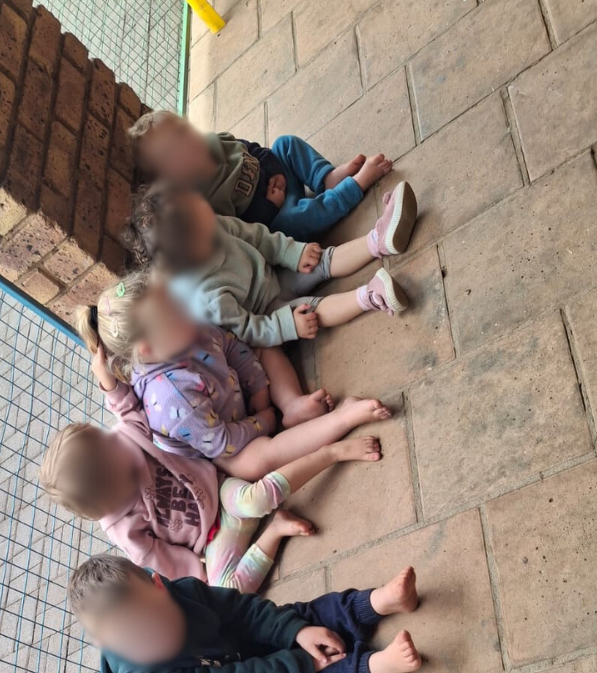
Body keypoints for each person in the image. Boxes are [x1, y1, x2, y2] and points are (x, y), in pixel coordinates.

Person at [40, 329, 383, 591]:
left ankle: (331, 453)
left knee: (256, 498)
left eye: (105, 438)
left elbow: (126, 410)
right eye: (109, 448)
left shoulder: (125, 439)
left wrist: (107, 382)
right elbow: (157, 558)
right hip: (214, 540)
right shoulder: (122, 526)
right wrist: (200, 577)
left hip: (221, 487)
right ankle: (276, 531)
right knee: (228, 591)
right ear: (110, 486)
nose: (115, 437)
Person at [73, 269, 391, 482]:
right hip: (222, 447)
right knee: (255, 463)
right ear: (147, 350)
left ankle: (292, 405)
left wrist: (261, 392)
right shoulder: (172, 401)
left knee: (262, 347)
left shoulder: (184, 327)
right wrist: (263, 421)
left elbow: (230, 346)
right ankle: (342, 418)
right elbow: (222, 443)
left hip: (238, 394)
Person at [67, 554, 423, 673]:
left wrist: (295, 632)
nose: (158, 638)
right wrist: (302, 664)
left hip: (233, 645)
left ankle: (377, 602)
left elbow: (241, 610)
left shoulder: (183, 590)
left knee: (300, 616)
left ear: (159, 586)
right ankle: (376, 667)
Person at [126, 181, 416, 352]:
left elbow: (255, 236)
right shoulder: (205, 297)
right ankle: (371, 296)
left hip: (273, 273)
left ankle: (379, 241)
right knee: (312, 311)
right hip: (270, 312)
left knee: (321, 260)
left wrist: (292, 253)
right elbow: (248, 329)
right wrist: (287, 326)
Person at [129, 108, 393, 241]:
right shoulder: (201, 197)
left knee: (285, 143)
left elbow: (252, 149)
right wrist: (270, 206)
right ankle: (355, 186)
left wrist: (275, 170)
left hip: (279, 176)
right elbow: (239, 228)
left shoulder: (213, 141)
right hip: (275, 214)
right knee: (292, 222)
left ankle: (326, 178)